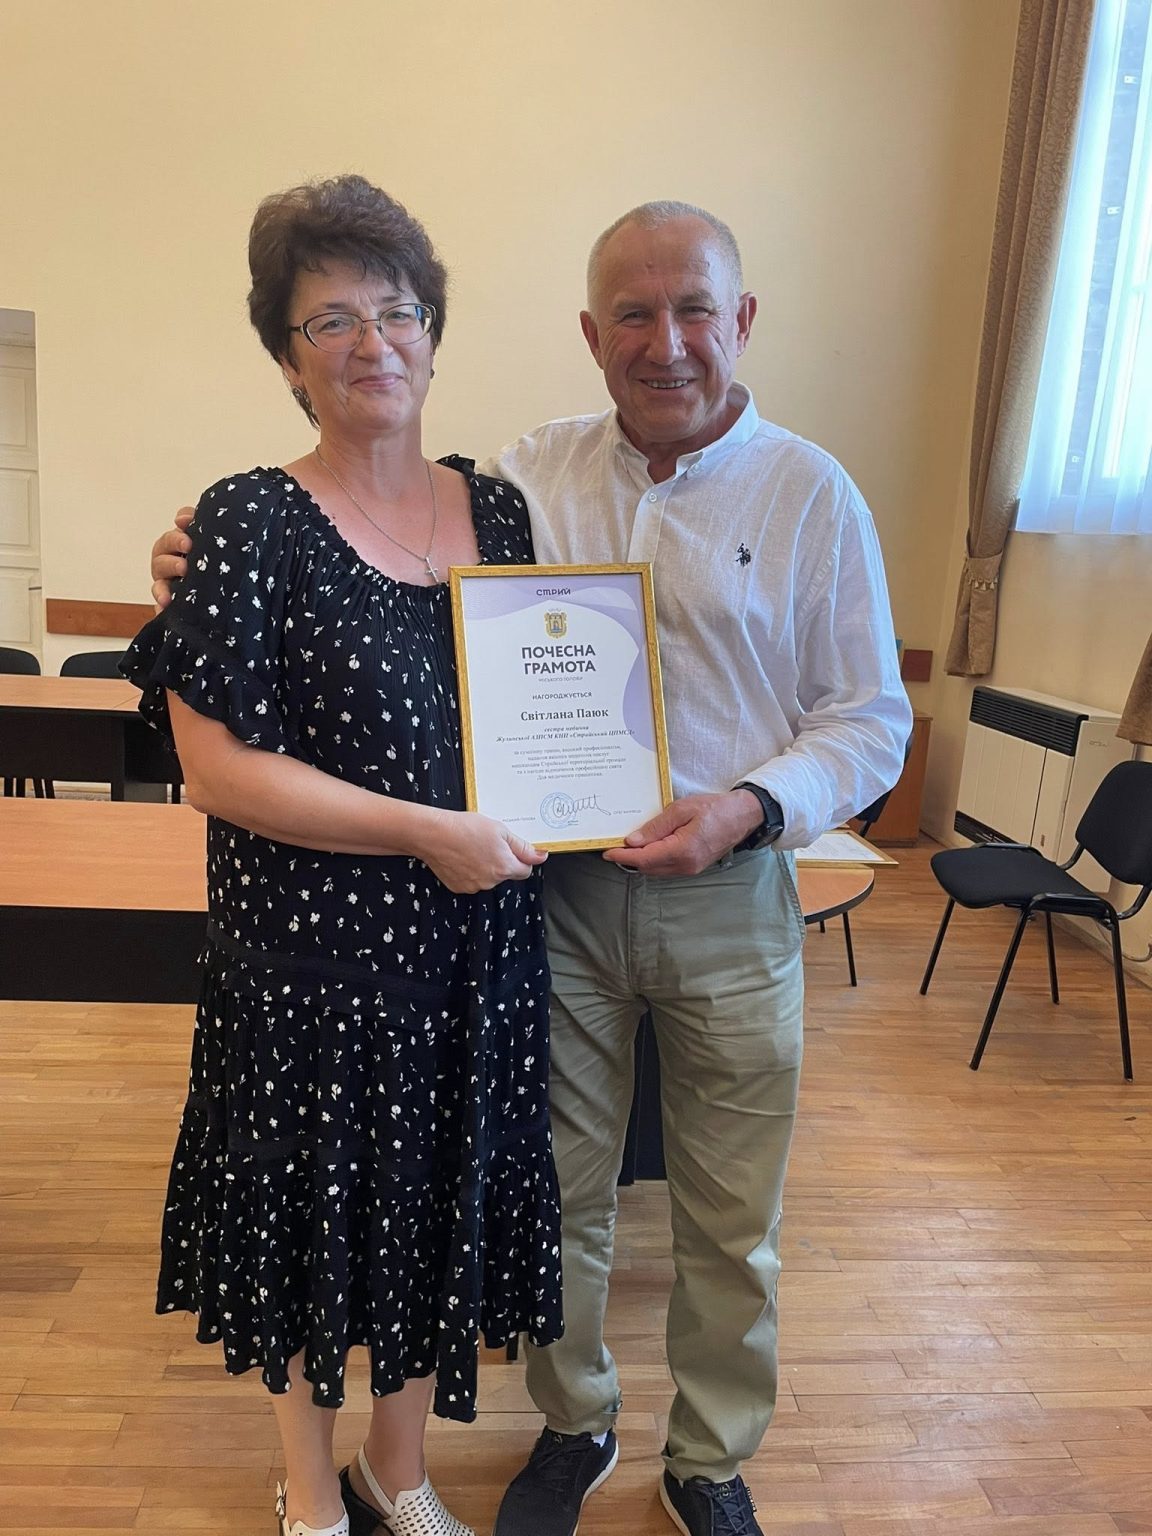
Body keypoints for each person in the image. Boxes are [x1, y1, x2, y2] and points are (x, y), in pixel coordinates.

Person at [152, 199, 912, 1536]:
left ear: (742, 321)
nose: (665, 341)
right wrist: (191, 558)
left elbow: (870, 719)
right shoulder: (527, 483)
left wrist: (748, 807)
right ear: (590, 334)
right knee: (556, 1191)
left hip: (730, 893)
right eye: (632, 314)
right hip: (552, 897)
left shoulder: (812, 494)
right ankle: (573, 1424)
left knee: (731, 1214)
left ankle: (709, 1458)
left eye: (694, 310)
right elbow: (357, 533)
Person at [127, 174, 563, 1536]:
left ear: (433, 334)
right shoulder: (250, 521)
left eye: (397, 312)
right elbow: (217, 770)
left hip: (475, 953)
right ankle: (310, 1481)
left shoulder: (501, 515)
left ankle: (399, 1465)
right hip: (313, 967)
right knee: (312, 1228)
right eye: (331, 321)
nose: (374, 341)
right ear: (287, 359)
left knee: (433, 1214)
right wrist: (427, 832)